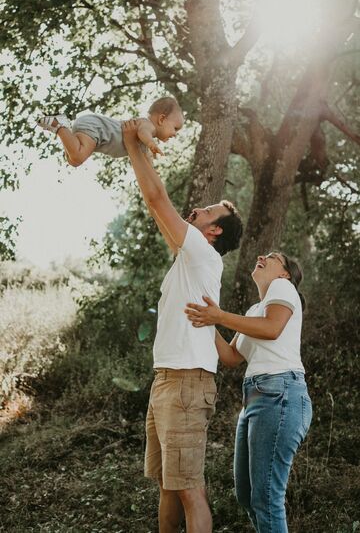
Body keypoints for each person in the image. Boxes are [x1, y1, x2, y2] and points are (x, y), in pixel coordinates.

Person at [122, 119, 243, 533]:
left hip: (187, 384)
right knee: (167, 486)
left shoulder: (204, 256)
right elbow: (157, 206)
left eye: (209, 211)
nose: (199, 208)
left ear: (213, 231)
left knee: (189, 488)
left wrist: (131, 144)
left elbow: (158, 198)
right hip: (167, 381)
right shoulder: (188, 257)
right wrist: (135, 150)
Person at [185, 251, 312, 533]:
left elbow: (272, 328)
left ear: (285, 273)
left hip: (280, 394)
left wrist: (219, 315)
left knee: (266, 498)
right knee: (246, 495)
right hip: (256, 399)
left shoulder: (283, 287)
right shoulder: (255, 310)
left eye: (273, 256)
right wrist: (207, 320)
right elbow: (231, 356)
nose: (262, 256)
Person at [36, 96, 184, 166]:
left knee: (74, 160)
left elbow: (146, 163)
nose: (175, 133)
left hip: (95, 132)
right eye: (175, 128)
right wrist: (152, 144)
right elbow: (143, 134)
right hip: (98, 128)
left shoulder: (144, 143)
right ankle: (60, 126)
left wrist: (151, 161)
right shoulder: (147, 126)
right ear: (161, 119)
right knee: (78, 156)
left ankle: (66, 134)